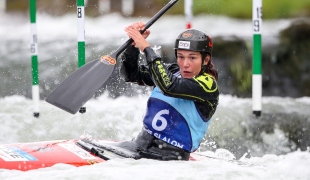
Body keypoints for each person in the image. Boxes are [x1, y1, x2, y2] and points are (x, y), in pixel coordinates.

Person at [102, 22, 219, 161]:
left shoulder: (208, 84)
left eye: (192, 58)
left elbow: (169, 86)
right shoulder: (172, 71)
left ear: (205, 60)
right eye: (181, 57)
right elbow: (131, 75)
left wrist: (146, 47)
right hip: (138, 146)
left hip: (170, 157)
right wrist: (133, 47)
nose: (185, 64)